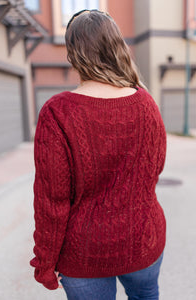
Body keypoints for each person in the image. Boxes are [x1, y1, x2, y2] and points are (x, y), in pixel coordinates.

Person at [30, 9, 167, 300]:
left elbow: (51, 201)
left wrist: (45, 262)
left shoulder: (58, 112)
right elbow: (154, 170)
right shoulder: (147, 104)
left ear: (73, 54)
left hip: (84, 255)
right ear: (116, 47)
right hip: (143, 241)